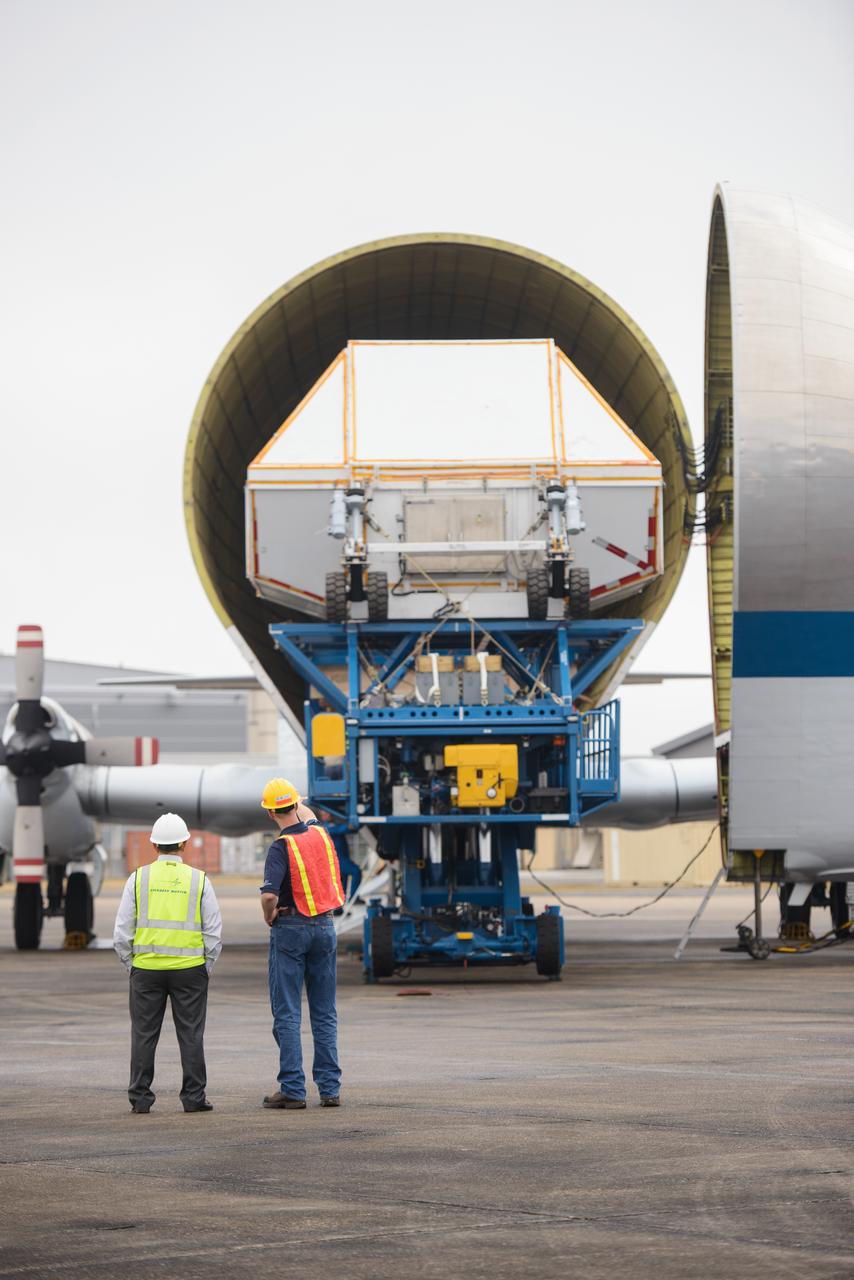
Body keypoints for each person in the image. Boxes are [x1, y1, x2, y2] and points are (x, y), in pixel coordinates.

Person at [113, 812, 222, 1114]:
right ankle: (193, 1098)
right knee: (191, 1034)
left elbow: (122, 932)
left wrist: (132, 965)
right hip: (190, 970)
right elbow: (213, 931)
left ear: (153, 845)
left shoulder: (138, 878)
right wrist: (205, 966)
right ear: (185, 843)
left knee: (144, 1034)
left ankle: (141, 1098)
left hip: (146, 970)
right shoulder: (199, 880)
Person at [259, 778, 345, 1110]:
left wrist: (269, 915)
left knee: (288, 1011)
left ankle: (293, 1089)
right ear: (296, 805)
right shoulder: (320, 835)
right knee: (324, 1011)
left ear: (269, 813)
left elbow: (269, 895)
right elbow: (305, 815)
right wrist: (296, 803)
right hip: (324, 925)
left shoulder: (281, 847)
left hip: (291, 927)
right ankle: (330, 1089)